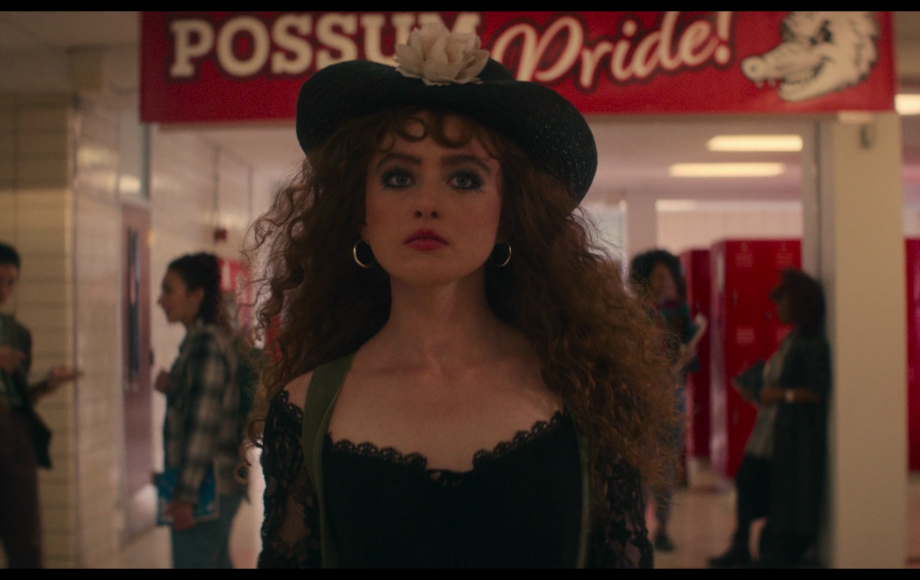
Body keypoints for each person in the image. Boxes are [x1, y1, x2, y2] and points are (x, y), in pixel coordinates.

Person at [248, 22, 679, 568]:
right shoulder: (305, 409)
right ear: (359, 215)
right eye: (399, 178)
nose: (427, 203)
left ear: (508, 217)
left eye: (465, 179)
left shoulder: (585, 392)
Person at [0, 241, 80, 568]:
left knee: (25, 531)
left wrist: (47, 384)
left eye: (10, 282)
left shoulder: (18, 332)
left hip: (15, 432)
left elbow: (21, 393)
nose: (3, 290)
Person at [708, 267, 830, 568]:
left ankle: (772, 549)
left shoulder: (811, 344)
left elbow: (816, 391)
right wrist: (759, 391)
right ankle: (741, 545)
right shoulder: (791, 340)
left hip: (786, 438)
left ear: (799, 303)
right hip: (767, 434)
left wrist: (781, 395)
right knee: (746, 482)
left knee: (772, 491)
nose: (778, 308)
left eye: (783, 301)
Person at [155, 252, 245, 568]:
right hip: (214, 487)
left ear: (196, 296)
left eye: (168, 290)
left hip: (207, 491)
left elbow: (203, 428)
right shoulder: (202, 343)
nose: (160, 300)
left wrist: (185, 496)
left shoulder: (207, 345)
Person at [629, 249, 699, 553]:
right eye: (660, 276)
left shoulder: (678, 314)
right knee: (640, 465)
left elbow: (690, 364)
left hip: (672, 396)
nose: (666, 281)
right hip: (642, 397)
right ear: (645, 278)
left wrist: (687, 357)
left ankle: (663, 527)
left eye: (669, 275)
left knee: (667, 464)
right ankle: (638, 526)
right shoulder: (631, 315)